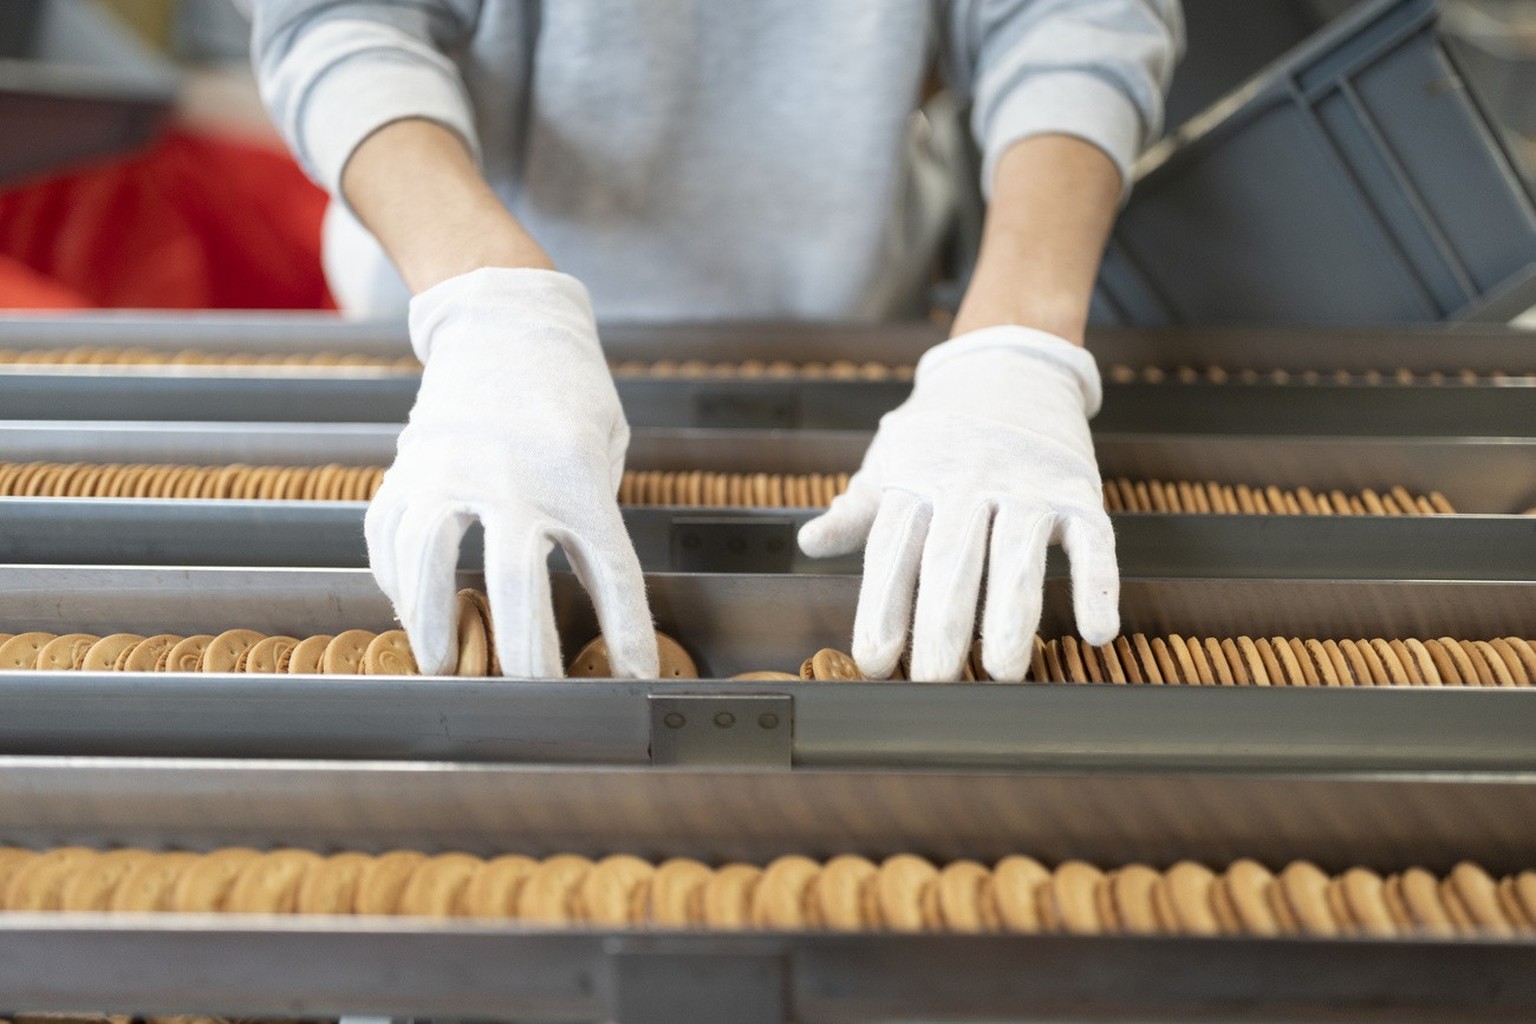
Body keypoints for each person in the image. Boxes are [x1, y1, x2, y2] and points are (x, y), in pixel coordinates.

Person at [251, 1, 1183, 682]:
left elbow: (1075, 21)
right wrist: (484, 301)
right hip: (461, 351)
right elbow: (342, 17)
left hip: (850, 326)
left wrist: (1018, 335)